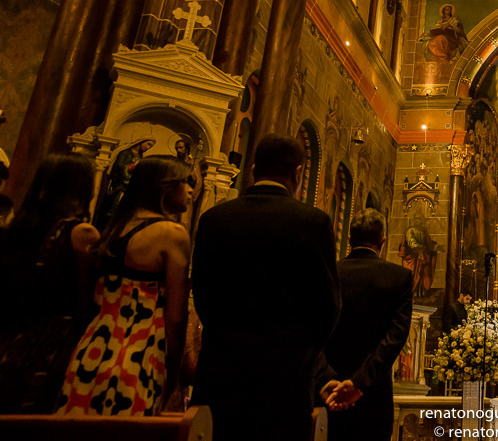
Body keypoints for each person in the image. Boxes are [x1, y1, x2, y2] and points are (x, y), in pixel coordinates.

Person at [191, 135, 340, 441]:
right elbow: (328, 306)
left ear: (253, 169)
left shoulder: (214, 219)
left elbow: (202, 294)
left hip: (221, 372)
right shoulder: (313, 223)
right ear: (298, 173)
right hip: (285, 380)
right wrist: (303, 353)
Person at [58, 157, 193, 415]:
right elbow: (175, 318)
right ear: (164, 187)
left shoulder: (114, 227)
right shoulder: (171, 234)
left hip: (93, 348)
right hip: (139, 352)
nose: (191, 190)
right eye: (186, 182)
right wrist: (174, 371)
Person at [0, 153, 98, 413]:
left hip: (10, 333)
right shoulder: (82, 233)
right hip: (52, 342)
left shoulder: (19, 228)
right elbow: (84, 299)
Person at [316, 210, 412, 441]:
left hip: (329, 395)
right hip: (373, 396)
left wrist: (326, 378)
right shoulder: (399, 277)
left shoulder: (328, 273)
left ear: (349, 239)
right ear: (382, 241)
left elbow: (311, 331)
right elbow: (395, 337)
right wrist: (359, 384)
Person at [95, 137, 155, 228]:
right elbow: (121, 168)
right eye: (148, 144)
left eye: (150, 146)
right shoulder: (125, 153)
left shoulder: (140, 156)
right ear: (141, 141)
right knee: (113, 209)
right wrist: (133, 167)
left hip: (129, 188)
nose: (148, 147)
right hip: (119, 187)